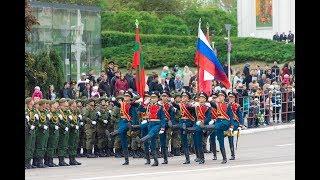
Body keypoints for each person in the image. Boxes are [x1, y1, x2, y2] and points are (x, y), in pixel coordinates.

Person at [110, 91, 139, 165]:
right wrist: (113, 100)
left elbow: (135, 115)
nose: (125, 97)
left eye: (127, 96)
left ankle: (113, 134)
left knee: (122, 129)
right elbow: (117, 104)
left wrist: (134, 126)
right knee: (123, 141)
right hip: (122, 121)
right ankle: (126, 160)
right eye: (125, 96)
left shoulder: (133, 105)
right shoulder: (122, 104)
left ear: (130, 97)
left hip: (129, 122)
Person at [138, 91, 166, 166]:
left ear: (157, 98)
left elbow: (163, 118)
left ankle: (142, 139)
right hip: (149, 123)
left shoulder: (160, 107)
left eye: (154, 97)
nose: (153, 99)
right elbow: (140, 109)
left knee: (152, 133)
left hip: (157, 124)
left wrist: (163, 127)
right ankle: (153, 160)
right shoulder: (148, 106)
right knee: (151, 143)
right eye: (152, 97)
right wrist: (143, 103)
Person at [227, 92, 244, 160]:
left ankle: (232, 154)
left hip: (235, 123)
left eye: (232, 97)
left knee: (230, 136)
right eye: (229, 97)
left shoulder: (237, 105)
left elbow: (240, 116)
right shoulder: (226, 105)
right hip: (227, 122)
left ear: (234, 98)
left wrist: (240, 125)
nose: (230, 98)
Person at [44, 100, 59, 167]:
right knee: (50, 147)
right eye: (55, 106)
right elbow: (47, 123)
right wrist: (53, 126)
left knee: (53, 147)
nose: (56, 107)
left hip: (55, 132)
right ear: (51, 106)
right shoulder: (49, 113)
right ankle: (48, 161)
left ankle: (51, 161)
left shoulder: (56, 113)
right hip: (50, 132)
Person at [57, 98, 71, 166]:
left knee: (65, 145)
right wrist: (64, 127)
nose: (67, 107)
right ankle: (61, 160)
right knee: (61, 146)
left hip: (66, 131)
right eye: (65, 106)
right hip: (62, 132)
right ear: (61, 105)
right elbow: (58, 123)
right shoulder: (59, 112)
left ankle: (63, 159)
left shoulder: (66, 112)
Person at [68, 100, 82, 165]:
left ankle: (74, 158)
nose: (74, 107)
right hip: (71, 131)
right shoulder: (68, 113)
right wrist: (73, 126)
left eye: (75, 106)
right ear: (70, 106)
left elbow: (76, 121)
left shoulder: (74, 112)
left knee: (75, 145)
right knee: (71, 145)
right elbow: (68, 123)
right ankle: (71, 160)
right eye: (73, 106)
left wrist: (79, 121)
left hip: (76, 131)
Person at [25, 97, 37, 169]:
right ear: (29, 102)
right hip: (28, 131)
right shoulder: (26, 111)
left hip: (32, 130)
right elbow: (26, 122)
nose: (33, 102)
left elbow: (35, 121)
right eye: (32, 101)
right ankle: (26, 163)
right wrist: (30, 126)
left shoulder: (33, 111)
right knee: (27, 147)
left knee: (31, 147)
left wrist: (34, 124)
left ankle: (29, 162)